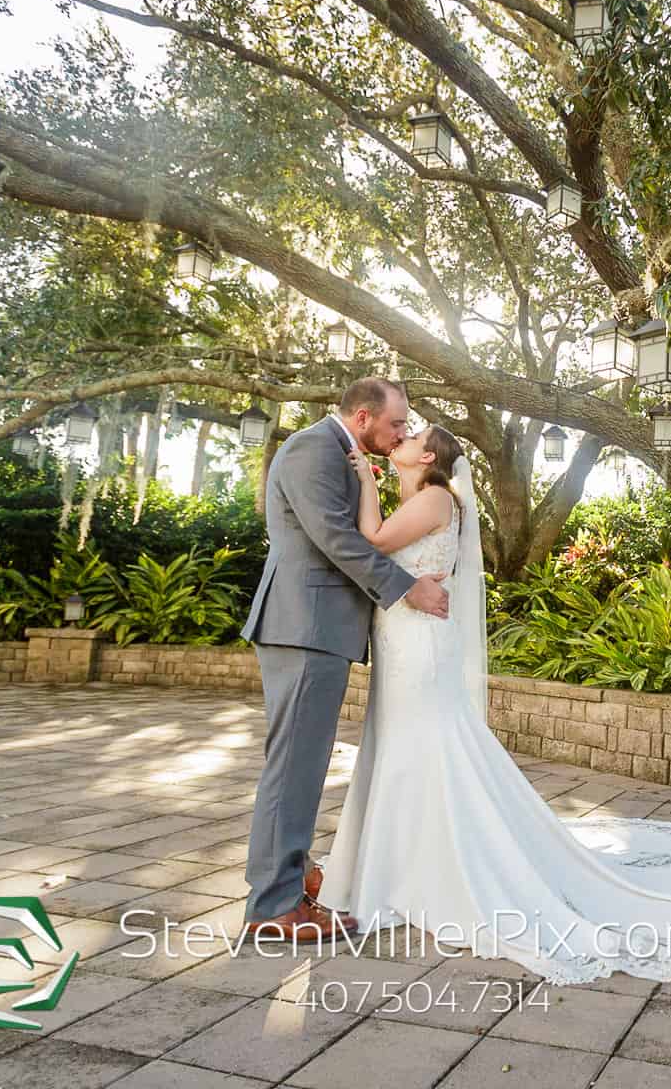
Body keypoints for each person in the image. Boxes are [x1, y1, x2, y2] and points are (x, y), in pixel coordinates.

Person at [312, 422, 671, 991]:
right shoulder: (420, 499)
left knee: (429, 744)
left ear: (429, 453)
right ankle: (400, 864)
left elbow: (372, 543)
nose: (399, 441)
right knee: (405, 744)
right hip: (401, 637)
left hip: (418, 645)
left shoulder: (436, 497)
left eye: (409, 437)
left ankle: (435, 867)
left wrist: (362, 478)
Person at [238, 378, 451, 942]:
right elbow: (335, 537)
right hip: (305, 626)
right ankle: (274, 907)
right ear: (362, 417)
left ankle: (294, 874)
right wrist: (409, 588)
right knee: (295, 766)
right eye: (396, 423)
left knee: (298, 762)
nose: (401, 432)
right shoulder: (314, 449)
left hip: (313, 626)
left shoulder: (337, 452)